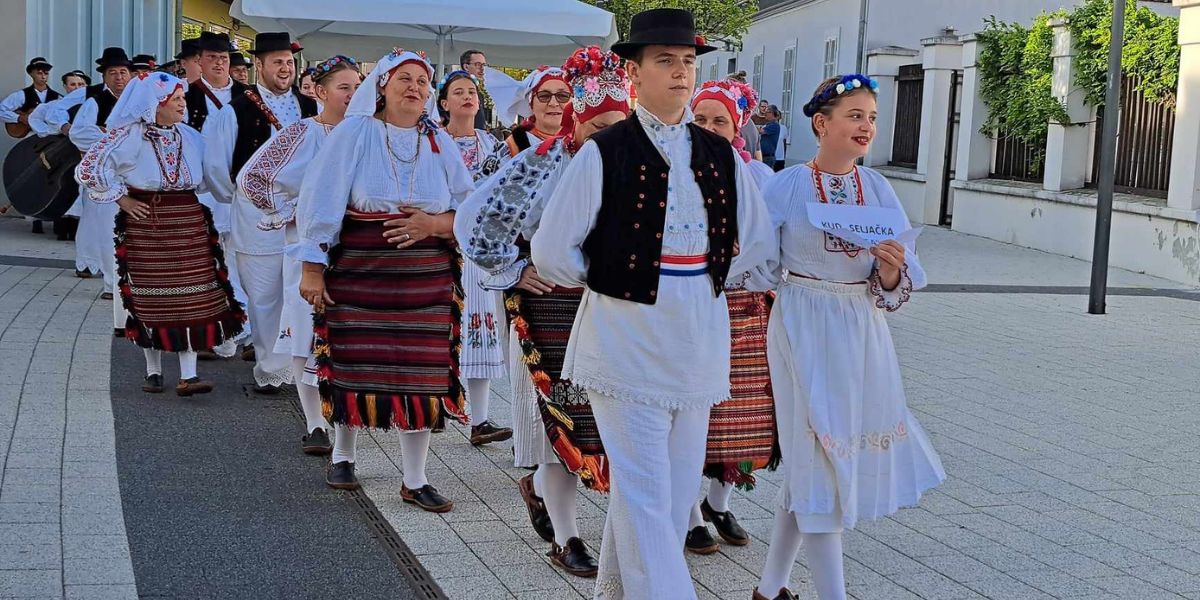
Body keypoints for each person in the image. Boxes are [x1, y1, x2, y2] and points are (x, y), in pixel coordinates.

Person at [530, 9, 773, 598]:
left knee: (672, 489)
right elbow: (551, 249)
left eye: (688, 61)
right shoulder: (603, 151)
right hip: (625, 336)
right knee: (641, 488)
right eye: (665, 60)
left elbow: (758, 240)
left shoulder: (721, 156)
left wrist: (700, 276)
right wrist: (616, 274)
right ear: (633, 71)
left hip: (696, 335)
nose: (681, 72)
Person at [749, 75, 945, 600]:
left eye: (872, 118)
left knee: (818, 461)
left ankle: (770, 589)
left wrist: (888, 270)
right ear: (822, 123)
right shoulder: (786, 184)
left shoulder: (877, 189)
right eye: (855, 115)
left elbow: (900, 280)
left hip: (860, 329)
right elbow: (757, 265)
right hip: (803, 323)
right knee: (818, 454)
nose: (867, 127)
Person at [456, 44, 630, 579]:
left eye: (616, 126)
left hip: (615, 308)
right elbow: (473, 223)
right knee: (562, 416)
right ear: (577, 121)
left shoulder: (635, 165)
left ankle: (616, 529)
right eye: (598, 125)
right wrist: (513, 267)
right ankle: (568, 535)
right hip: (551, 305)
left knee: (612, 416)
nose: (608, 136)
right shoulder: (539, 162)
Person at [293, 49, 473, 513]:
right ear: (382, 88)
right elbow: (323, 193)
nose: (414, 87)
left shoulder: (438, 139)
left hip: (424, 275)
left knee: (422, 372)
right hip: (361, 265)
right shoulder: (356, 132)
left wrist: (435, 225)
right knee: (352, 360)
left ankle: (415, 479)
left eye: (422, 81)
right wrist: (313, 264)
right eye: (404, 79)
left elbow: (468, 205)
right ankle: (343, 454)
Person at [75, 72, 244, 396]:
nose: (183, 104)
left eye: (182, 98)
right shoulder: (129, 136)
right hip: (147, 221)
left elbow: (210, 174)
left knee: (193, 295)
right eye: (176, 100)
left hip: (187, 220)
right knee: (150, 297)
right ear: (156, 105)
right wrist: (122, 198)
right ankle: (153, 371)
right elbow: (89, 168)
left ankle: (189, 374)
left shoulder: (190, 136)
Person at [239, 55, 362, 464]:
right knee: (305, 325)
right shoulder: (300, 133)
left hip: (359, 248)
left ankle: (349, 414)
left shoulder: (371, 134)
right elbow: (252, 177)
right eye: (344, 87)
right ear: (320, 92)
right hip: (309, 248)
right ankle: (314, 422)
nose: (353, 94)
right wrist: (290, 210)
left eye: (358, 86)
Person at [684, 78, 779, 556]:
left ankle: (719, 501)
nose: (707, 127)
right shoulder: (676, 168)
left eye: (718, 120)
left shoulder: (758, 177)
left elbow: (771, 246)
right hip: (692, 308)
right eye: (699, 118)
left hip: (744, 309)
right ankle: (689, 513)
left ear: (737, 127)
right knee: (693, 414)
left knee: (741, 418)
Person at [204, 31, 319, 394]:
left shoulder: (310, 106)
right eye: (277, 62)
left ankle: (300, 360)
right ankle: (270, 365)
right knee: (265, 292)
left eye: (289, 62)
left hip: (302, 212)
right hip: (257, 215)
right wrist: (244, 202)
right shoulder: (235, 110)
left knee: (301, 287)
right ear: (259, 65)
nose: (285, 69)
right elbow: (217, 169)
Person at [437, 69, 512, 446]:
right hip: (442, 243)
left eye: (472, 91)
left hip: (479, 250)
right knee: (441, 328)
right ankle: (435, 406)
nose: (467, 97)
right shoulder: (432, 140)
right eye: (458, 91)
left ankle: (480, 419)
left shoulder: (493, 144)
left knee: (481, 330)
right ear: (444, 102)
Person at [67, 48, 133, 304]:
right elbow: (78, 134)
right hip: (105, 175)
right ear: (105, 77)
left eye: (123, 72)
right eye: (113, 73)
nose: (119, 77)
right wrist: (110, 137)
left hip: (132, 174)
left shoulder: (138, 101)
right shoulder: (95, 102)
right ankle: (110, 282)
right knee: (106, 228)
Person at [2, 57, 62, 234]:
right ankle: (34, 218)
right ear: (32, 74)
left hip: (49, 140)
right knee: (31, 176)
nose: (43, 76)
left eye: (45, 72)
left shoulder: (57, 97)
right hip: (30, 140)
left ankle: (53, 213)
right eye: (39, 72)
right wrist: (20, 118)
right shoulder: (21, 95)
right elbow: (2, 109)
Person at [502, 66, 568, 157]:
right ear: (531, 103)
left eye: (563, 96)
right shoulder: (512, 146)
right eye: (544, 96)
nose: (553, 103)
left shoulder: (583, 142)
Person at [458, 50, 493, 129]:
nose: (482, 68)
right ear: (466, 67)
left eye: (484, 65)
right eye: (478, 64)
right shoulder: (458, 91)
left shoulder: (479, 93)